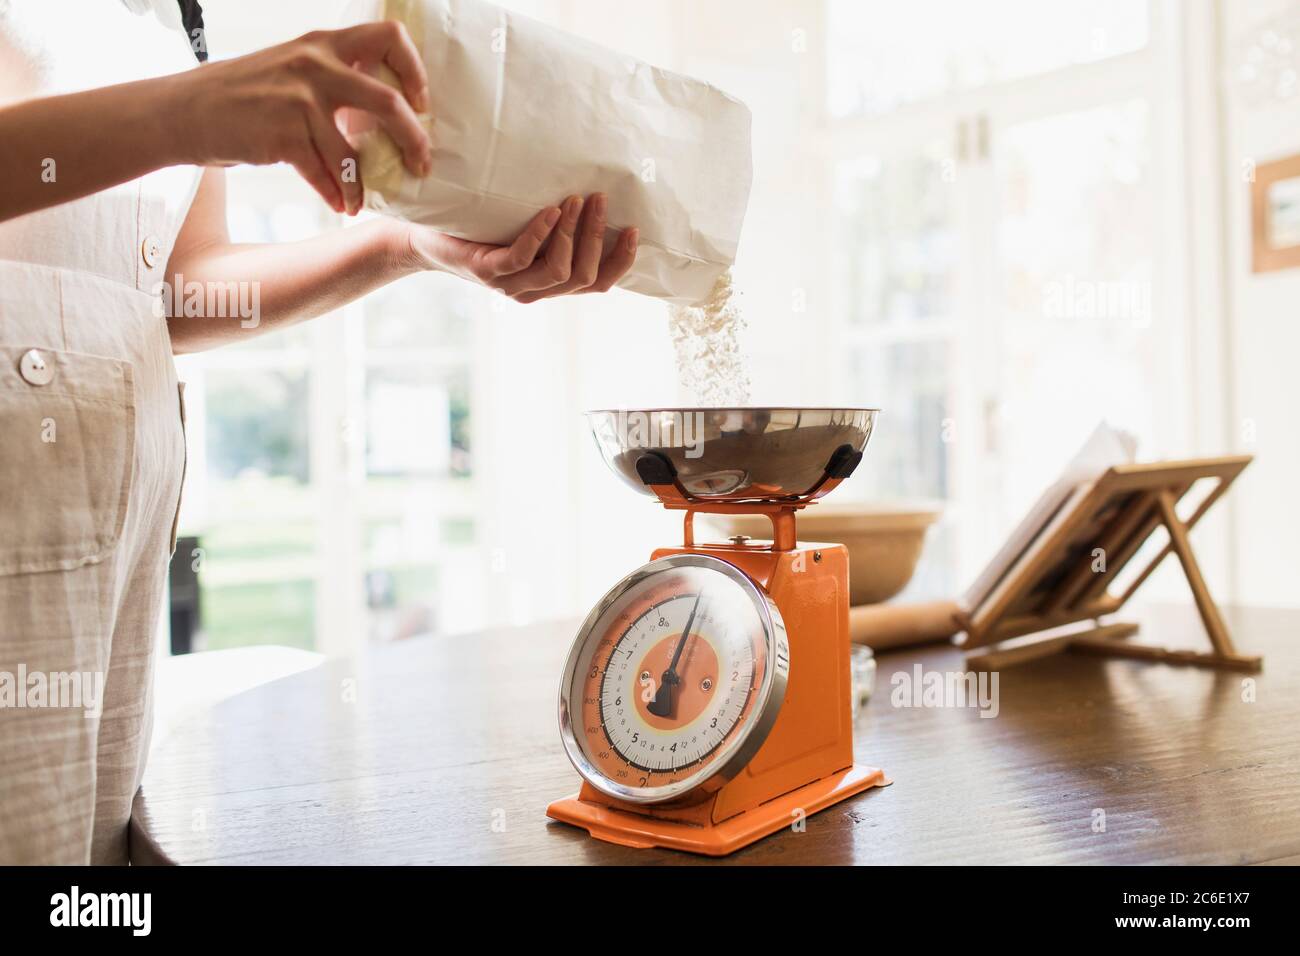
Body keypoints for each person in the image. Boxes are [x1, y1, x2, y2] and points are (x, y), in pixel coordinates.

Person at [0, 0, 638, 864]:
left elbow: (179, 287)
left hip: (110, 539)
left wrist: (403, 245)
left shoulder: (174, 8)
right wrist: (184, 111)